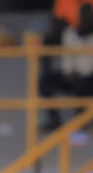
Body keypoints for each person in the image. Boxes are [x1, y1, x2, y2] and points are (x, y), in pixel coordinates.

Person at [39, 3, 93, 131]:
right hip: (75, 76)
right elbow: (68, 60)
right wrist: (69, 73)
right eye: (83, 16)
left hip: (90, 79)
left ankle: (82, 122)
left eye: (88, 16)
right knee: (45, 81)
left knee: (83, 85)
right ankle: (54, 120)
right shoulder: (70, 34)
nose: (85, 19)